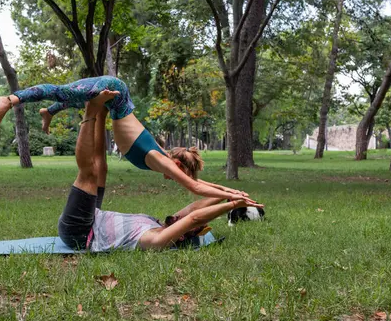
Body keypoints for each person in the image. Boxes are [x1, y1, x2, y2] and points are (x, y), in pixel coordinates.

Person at [57, 92, 264, 251]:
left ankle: (90, 111)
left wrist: (235, 202)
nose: (179, 219)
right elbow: (194, 209)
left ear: (180, 234)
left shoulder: (154, 239)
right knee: (101, 167)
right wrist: (231, 194)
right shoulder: (158, 224)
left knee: (89, 174)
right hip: (94, 217)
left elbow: (194, 218)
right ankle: (101, 114)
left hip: (81, 232)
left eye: (180, 225)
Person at [0, 76, 245, 200]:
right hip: (117, 91)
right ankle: (9, 99)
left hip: (115, 101)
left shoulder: (161, 154)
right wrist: (233, 196)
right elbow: (196, 187)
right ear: (178, 165)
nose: (171, 178)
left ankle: (49, 112)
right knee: (61, 91)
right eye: (178, 174)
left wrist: (229, 189)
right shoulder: (161, 159)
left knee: (76, 97)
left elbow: (199, 182)